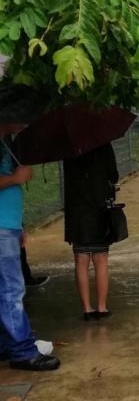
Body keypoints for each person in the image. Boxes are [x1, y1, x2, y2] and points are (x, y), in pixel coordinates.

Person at [0, 126, 60, 370]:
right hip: (1, 228)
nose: (22, 125)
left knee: (5, 290)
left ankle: (7, 344)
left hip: (8, 226)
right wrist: (16, 178)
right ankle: (24, 351)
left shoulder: (4, 143)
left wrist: (19, 226)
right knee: (11, 291)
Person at [63, 143, 119, 321]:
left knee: (81, 260)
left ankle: (87, 309)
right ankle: (102, 308)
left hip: (77, 211)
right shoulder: (102, 143)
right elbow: (113, 175)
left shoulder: (69, 147)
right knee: (101, 259)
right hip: (99, 208)